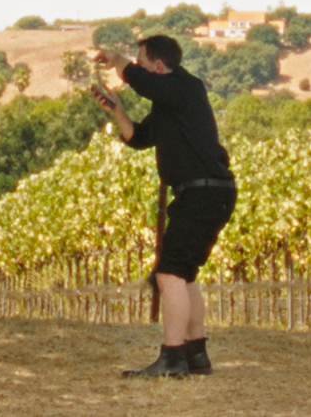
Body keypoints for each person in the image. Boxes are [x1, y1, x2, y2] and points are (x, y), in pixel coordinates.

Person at [91, 36, 235, 378]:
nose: (137, 71)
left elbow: (138, 80)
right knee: (182, 275)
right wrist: (117, 111)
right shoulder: (172, 102)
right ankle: (195, 355)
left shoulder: (183, 87)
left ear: (158, 67)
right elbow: (139, 138)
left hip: (203, 193)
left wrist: (116, 58)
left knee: (169, 273)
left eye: (142, 64)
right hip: (206, 193)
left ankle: (172, 359)